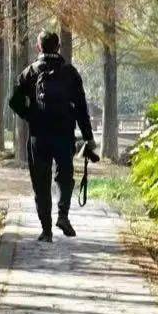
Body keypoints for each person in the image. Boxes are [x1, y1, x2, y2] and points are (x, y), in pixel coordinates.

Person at [9, 30, 99, 240]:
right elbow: (81, 108)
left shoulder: (29, 72)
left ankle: (46, 230)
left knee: (40, 181)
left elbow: (13, 101)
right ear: (58, 47)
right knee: (64, 176)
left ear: (38, 47)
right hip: (63, 134)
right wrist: (88, 138)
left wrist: (31, 115)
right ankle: (63, 215)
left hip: (38, 135)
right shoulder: (70, 73)